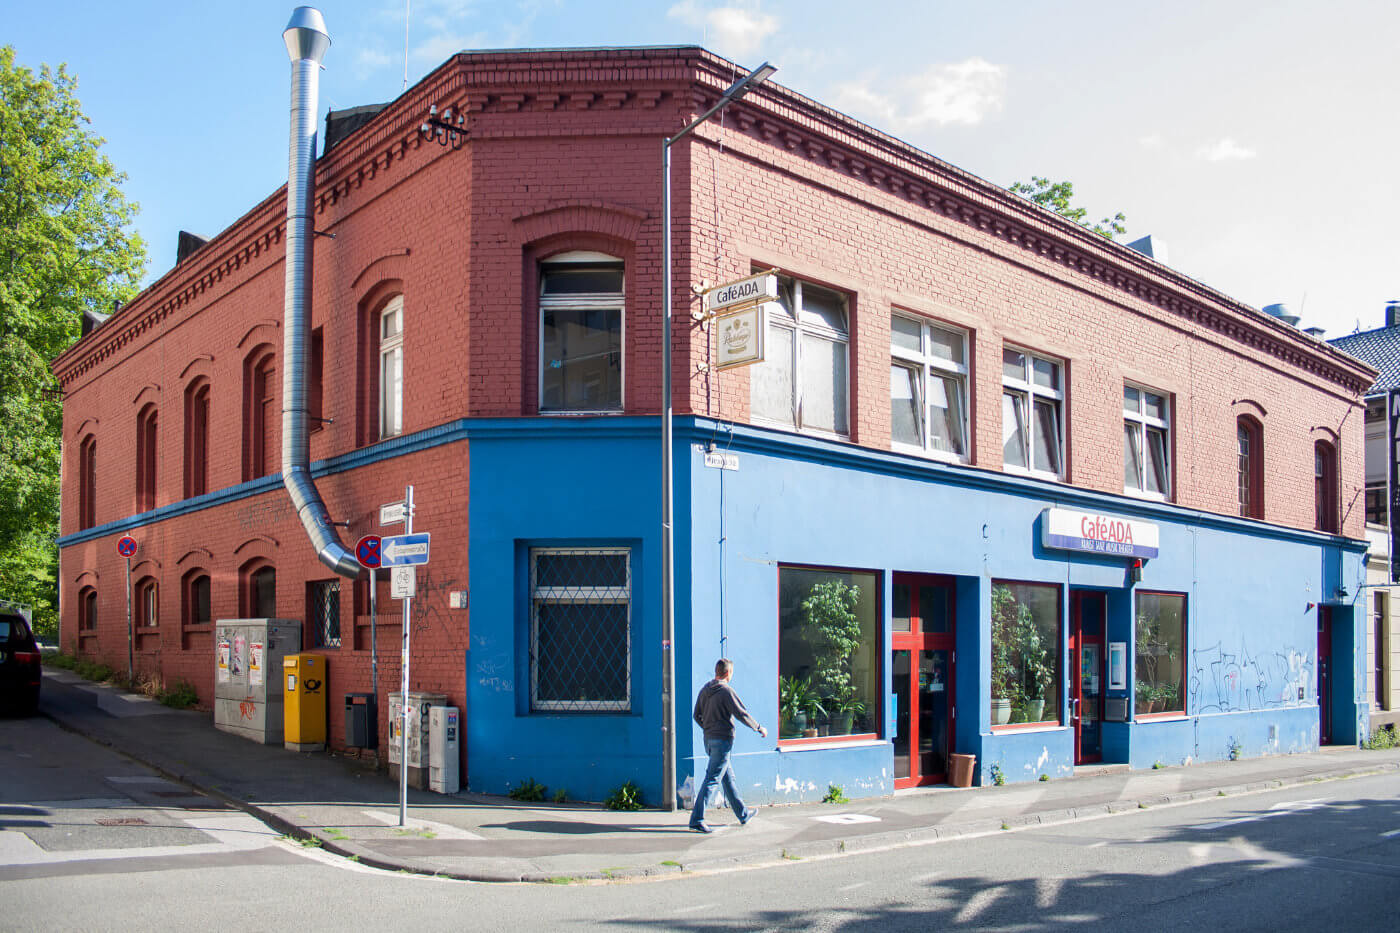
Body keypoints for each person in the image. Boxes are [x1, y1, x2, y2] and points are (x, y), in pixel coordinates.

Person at [690, 658, 767, 833]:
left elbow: (696, 715)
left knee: (728, 779)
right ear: (728, 673)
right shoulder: (726, 691)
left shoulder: (705, 690)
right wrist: (759, 727)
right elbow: (741, 713)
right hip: (722, 742)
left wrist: (707, 728)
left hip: (709, 740)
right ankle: (697, 819)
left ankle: (743, 814)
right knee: (712, 779)